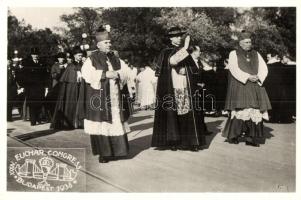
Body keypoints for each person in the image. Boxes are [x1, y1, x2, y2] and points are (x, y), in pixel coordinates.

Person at [78, 25, 131, 163]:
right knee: (102, 124)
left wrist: (118, 74)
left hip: (114, 96)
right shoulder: (92, 58)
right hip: (100, 97)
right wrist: (104, 74)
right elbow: (86, 74)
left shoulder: (115, 57)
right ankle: (104, 153)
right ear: (99, 44)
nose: (109, 45)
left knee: (115, 120)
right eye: (106, 43)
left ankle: (119, 151)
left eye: (109, 42)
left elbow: (126, 71)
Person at [151, 27, 207, 152]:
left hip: (186, 86)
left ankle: (189, 142)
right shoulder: (166, 51)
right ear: (170, 38)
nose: (178, 38)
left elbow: (193, 69)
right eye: (176, 36)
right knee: (174, 114)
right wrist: (186, 47)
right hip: (173, 87)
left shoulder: (184, 51)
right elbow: (172, 61)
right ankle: (174, 141)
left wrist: (187, 71)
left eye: (179, 36)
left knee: (187, 114)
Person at [222, 30, 272, 147]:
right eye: (246, 42)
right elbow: (234, 69)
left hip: (254, 85)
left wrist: (258, 77)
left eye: (250, 42)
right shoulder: (233, 53)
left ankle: (251, 138)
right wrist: (247, 77)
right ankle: (234, 136)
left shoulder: (256, 53)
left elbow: (264, 68)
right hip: (241, 85)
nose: (249, 44)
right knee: (240, 110)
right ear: (240, 43)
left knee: (254, 110)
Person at [50, 47, 84, 129]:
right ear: (75, 56)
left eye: (81, 56)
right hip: (72, 88)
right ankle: (71, 122)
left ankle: (79, 122)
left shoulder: (83, 65)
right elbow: (68, 78)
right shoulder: (70, 66)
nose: (80, 57)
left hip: (81, 87)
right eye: (79, 55)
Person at [21, 47, 49, 126]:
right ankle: (33, 121)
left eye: (36, 54)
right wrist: (24, 86)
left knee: (39, 103)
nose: (35, 56)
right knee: (32, 104)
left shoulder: (42, 63)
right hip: (31, 88)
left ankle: (37, 118)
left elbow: (45, 75)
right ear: (31, 55)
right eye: (34, 54)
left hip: (40, 87)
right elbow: (24, 75)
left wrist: (46, 86)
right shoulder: (27, 63)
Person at [264, 52, 292, 123]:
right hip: (280, 87)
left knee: (277, 103)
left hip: (276, 87)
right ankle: (282, 119)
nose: (288, 61)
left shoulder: (270, 66)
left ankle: (276, 118)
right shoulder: (280, 66)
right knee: (281, 103)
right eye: (287, 58)